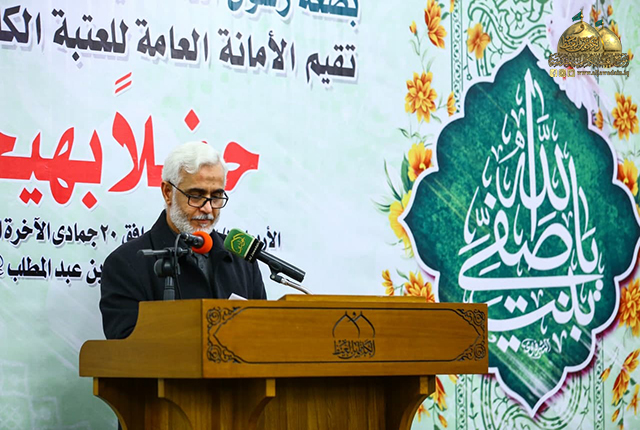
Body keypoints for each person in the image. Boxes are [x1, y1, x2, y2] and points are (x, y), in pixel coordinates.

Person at [99, 141, 266, 340]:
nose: (207, 208)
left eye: (216, 197)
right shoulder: (126, 264)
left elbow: (262, 335)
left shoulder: (242, 259)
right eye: (196, 196)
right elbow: (126, 347)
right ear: (167, 192)